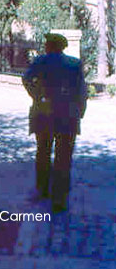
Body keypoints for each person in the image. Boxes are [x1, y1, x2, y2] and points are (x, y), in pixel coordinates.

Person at [22, 33, 88, 213]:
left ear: (49, 46)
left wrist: (36, 95)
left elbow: (26, 78)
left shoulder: (40, 62)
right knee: (64, 157)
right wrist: (80, 111)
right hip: (67, 115)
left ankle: (43, 189)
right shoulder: (74, 64)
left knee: (43, 152)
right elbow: (82, 90)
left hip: (44, 112)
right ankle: (59, 198)